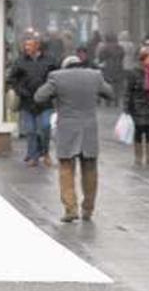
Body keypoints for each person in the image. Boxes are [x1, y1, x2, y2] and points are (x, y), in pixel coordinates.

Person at [34, 55, 114, 222]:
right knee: (90, 170)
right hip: (89, 130)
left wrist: (56, 97)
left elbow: (39, 96)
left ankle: (71, 208)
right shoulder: (95, 76)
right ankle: (88, 209)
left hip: (67, 129)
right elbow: (110, 94)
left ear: (65, 66)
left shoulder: (57, 77)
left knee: (66, 169)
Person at [7, 35, 60, 167]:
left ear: (38, 46)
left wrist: (52, 93)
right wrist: (20, 90)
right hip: (27, 101)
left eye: (29, 45)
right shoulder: (20, 62)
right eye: (25, 45)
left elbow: (57, 78)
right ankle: (33, 156)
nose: (26, 48)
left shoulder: (50, 61)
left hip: (45, 102)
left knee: (45, 127)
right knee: (30, 130)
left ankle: (45, 152)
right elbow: (12, 80)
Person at [125, 48, 149, 166]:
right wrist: (126, 107)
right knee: (138, 130)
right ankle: (138, 156)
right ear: (143, 59)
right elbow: (128, 91)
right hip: (137, 105)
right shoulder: (134, 72)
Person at [96, 33, 126, 107]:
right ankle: (116, 101)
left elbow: (101, 57)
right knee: (117, 85)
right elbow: (122, 55)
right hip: (118, 67)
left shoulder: (104, 48)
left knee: (108, 84)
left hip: (108, 68)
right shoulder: (119, 47)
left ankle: (108, 101)